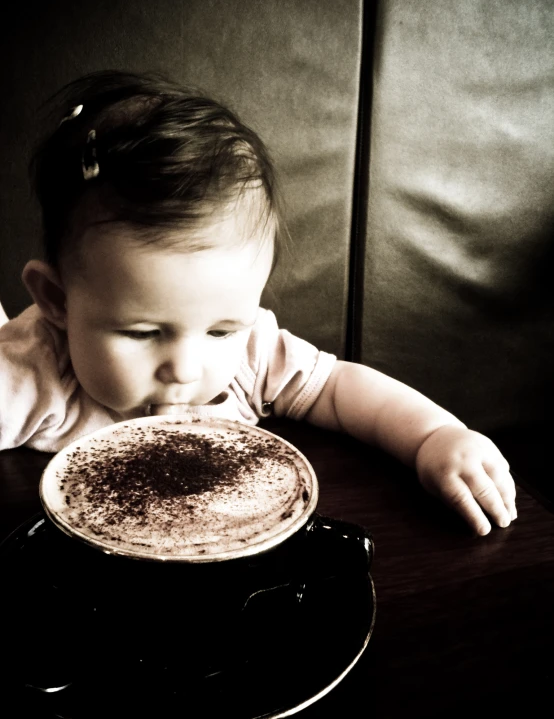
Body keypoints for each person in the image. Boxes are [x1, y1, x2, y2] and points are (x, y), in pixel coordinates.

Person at [0, 70, 516, 537]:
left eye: (220, 330)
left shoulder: (251, 353)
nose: (184, 368)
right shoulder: (35, 371)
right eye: (142, 332)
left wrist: (434, 436)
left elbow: (336, 389)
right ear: (57, 301)